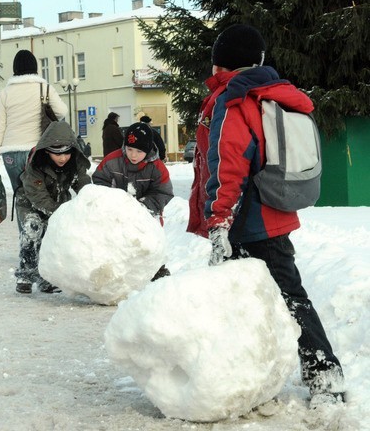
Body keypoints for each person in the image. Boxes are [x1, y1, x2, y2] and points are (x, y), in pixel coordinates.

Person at [187, 23, 345, 407]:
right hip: (271, 211)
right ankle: (262, 373)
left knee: (279, 298)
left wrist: (219, 221)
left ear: (218, 64)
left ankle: (325, 375)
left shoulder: (234, 100)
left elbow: (228, 164)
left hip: (246, 221)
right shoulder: (269, 95)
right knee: (282, 295)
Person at [14, 120, 92, 294]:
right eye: (57, 154)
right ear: (47, 151)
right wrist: (60, 212)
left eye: (66, 153)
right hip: (30, 202)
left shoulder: (75, 162)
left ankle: (47, 278)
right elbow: (38, 196)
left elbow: (83, 184)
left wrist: (90, 201)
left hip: (58, 200)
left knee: (51, 236)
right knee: (32, 229)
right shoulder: (36, 164)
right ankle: (26, 273)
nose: (63, 158)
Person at [93, 122, 174, 281]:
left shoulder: (157, 167)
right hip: (115, 213)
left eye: (139, 151)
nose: (133, 155)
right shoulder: (112, 161)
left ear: (148, 150)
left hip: (147, 213)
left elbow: (163, 192)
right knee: (114, 240)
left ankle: (156, 267)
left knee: (148, 241)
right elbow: (99, 182)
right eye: (129, 149)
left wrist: (142, 207)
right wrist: (114, 202)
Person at [0, 50, 68, 193]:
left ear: (15, 69)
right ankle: (37, 216)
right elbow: (62, 111)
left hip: (10, 153)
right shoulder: (44, 89)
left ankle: (24, 215)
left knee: (20, 194)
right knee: (38, 195)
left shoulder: (5, 93)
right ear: (35, 68)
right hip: (35, 151)